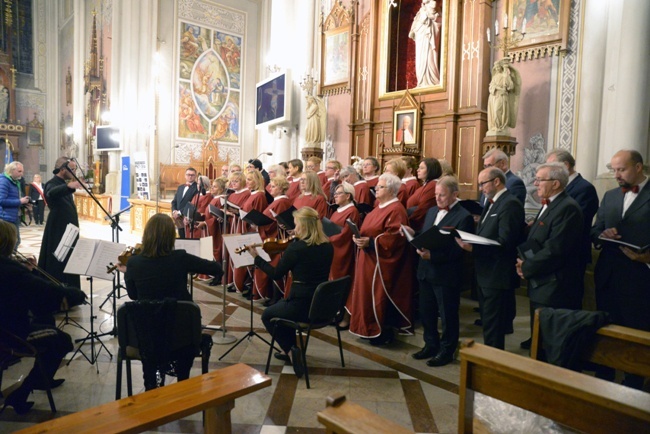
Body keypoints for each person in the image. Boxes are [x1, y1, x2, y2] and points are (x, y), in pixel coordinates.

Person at [118, 213, 222, 390]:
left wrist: (128, 273)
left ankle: (151, 389)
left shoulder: (134, 263)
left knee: (151, 332)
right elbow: (217, 269)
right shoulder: (180, 258)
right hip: (182, 336)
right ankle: (182, 390)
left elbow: (134, 296)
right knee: (184, 325)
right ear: (170, 236)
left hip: (146, 337)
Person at [0, 220, 86, 414]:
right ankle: (23, 391)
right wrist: (74, 294)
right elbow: (49, 294)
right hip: (11, 334)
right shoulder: (12, 272)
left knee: (46, 319)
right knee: (63, 341)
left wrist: (26, 273)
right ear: (9, 244)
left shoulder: (12, 270)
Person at [246, 207, 333, 378]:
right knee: (282, 310)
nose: (295, 228)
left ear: (304, 226)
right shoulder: (327, 246)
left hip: (301, 306)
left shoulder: (296, 248)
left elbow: (275, 274)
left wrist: (256, 257)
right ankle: (292, 348)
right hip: (322, 307)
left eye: (297, 225)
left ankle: (291, 351)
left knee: (267, 315)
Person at [591, 150, 649, 390]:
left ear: (638, 167)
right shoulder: (611, 195)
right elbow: (595, 230)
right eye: (613, 169)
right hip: (608, 274)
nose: (616, 175)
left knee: (635, 331)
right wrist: (602, 234)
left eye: (621, 169)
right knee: (605, 326)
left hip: (639, 277)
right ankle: (603, 378)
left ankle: (633, 383)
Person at [406, 176, 474, 366]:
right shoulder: (432, 211)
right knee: (427, 311)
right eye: (436, 194)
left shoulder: (463, 216)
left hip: (446, 273)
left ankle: (447, 350)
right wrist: (413, 235)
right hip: (425, 271)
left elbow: (458, 250)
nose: (438, 199)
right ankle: (430, 345)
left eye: (442, 195)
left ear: (455, 194)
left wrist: (433, 257)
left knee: (447, 315)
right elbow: (427, 235)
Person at [516, 162, 584, 349]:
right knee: (539, 337)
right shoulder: (551, 204)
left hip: (555, 287)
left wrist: (526, 267)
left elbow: (555, 249)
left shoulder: (567, 208)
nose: (535, 183)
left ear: (555, 184)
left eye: (539, 180)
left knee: (550, 343)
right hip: (542, 282)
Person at [456, 168, 525, 350]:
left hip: (497, 272)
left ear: (496, 182)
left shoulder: (510, 203)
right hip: (486, 271)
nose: (481, 189)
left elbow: (505, 242)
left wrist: (473, 247)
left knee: (494, 327)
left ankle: (492, 365)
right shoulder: (493, 202)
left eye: (483, 183)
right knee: (489, 322)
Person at [348, 173, 412, 345]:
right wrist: (358, 237)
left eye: (380, 186)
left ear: (391, 190)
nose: (376, 189)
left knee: (375, 296)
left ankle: (377, 330)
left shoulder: (396, 209)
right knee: (364, 295)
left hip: (379, 262)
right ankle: (365, 328)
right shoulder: (379, 207)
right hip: (367, 257)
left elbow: (395, 238)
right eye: (377, 186)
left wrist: (370, 242)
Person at [546, 149, 598, 304]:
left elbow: (575, 220)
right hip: (557, 251)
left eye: (551, 166)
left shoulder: (584, 188)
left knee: (570, 297)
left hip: (574, 252)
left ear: (565, 165)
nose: (548, 171)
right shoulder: (560, 186)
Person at [38, 157, 84, 288]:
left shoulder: (63, 182)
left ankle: (71, 290)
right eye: (73, 169)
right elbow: (51, 193)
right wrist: (68, 186)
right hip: (58, 228)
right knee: (58, 260)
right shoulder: (52, 183)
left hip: (69, 229)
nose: (75, 172)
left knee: (70, 259)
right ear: (63, 169)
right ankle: (58, 290)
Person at [254, 177, 293, 304]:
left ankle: (276, 296)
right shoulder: (277, 201)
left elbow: (276, 221)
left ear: (281, 188)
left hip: (276, 239)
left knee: (275, 265)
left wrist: (261, 223)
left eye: (274, 186)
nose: (270, 188)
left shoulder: (281, 202)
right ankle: (271, 295)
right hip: (271, 236)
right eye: (270, 185)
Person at [329, 182, 360, 330]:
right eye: (334, 193)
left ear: (348, 196)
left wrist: (328, 239)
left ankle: (345, 316)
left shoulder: (352, 211)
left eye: (338, 193)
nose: (335, 196)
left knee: (343, 283)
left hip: (343, 252)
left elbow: (346, 234)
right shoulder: (338, 210)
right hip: (332, 251)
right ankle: (334, 313)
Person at [409, 0, 441, 87]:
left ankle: (431, 79)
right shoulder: (421, 11)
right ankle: (421, 80)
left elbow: (438, 20)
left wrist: (431, 17)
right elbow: (415, 28)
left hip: (429, 39)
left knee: (429, 58)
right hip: (421, 38)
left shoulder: (433, 4)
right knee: (420, 59)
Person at [406, 157, 442, 231]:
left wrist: (406, 221)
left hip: (419, 226)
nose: (417, 170)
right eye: (418, 168)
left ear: (430, 170)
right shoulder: (427, 184)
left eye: (421, 168)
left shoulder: (432, 185)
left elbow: (423, 209)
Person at [0, 161, 30, 249]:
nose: (21, 174)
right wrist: (20, 201)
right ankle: (8, 261)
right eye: (19, 171)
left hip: (13, 216)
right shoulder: (4, 181)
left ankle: (10, 260)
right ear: (11, 170)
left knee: (15, 241)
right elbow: (1, 200)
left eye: (22, 171)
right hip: (5, 217)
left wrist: (24, 203)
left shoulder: (14, 181)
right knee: (10, 243)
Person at [487, 59, 521, 135]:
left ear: (501, 67)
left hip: (502, 96)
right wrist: (498, 88)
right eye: (496, 68)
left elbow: (511, 86)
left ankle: (501, 127)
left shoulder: (505, 75)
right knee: (495, 111)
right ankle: (496, 127)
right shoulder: (495, 77)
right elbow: (491, 87)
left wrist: (507, 84)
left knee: (499, 111)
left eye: (498, 67)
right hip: (495, 96)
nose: (497, 69)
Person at [171, 167, 198, 238]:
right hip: (178, 217)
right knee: (181, 235)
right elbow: (174, 201)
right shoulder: (180, 187)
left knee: (187, 238)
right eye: (188, 174)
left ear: (195, 176)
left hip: (188, 217)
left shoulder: (197, 188)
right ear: (185, 175)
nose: (190, 176)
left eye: (192, 175)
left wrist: (179, 212)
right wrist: (174, 211)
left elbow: (193, 204)